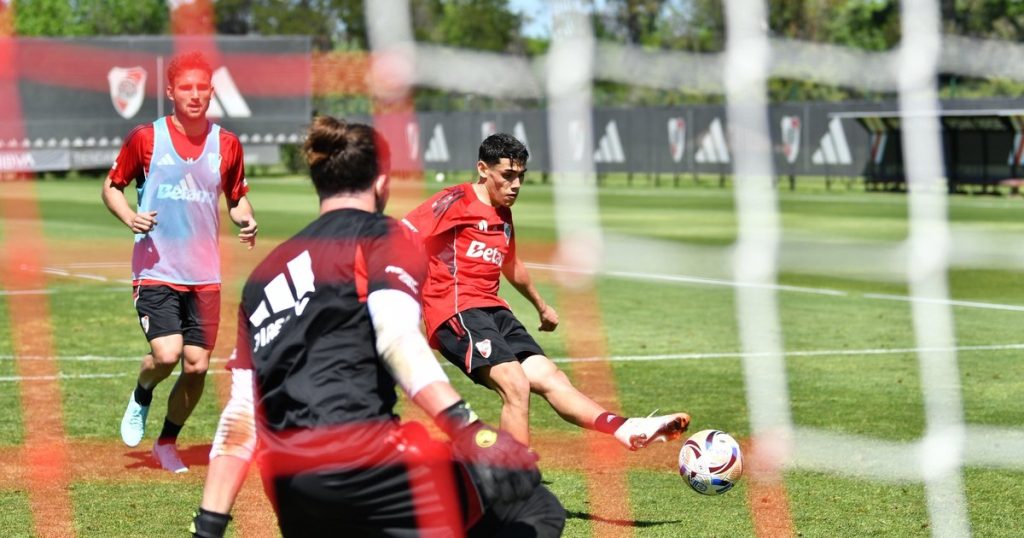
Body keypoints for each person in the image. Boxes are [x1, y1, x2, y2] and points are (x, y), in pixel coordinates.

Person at [191, 116, 565, 538]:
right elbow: (397, 336)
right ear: (382, 181)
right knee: (534, 507)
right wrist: (471, 431)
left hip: (291, 487)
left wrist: (210, 525)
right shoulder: (382, 236)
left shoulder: (263, 275)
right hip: (367, 466)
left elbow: (240, 415)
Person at [402, 133, 690, 449]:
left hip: (495, 310)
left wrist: (541, 305)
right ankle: (516, 480)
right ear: (483, 169)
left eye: (520, 177)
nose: (515, 185)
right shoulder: (455, 200)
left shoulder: (503, 213)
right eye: (507, 176)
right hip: (457, 310)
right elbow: (403, 235)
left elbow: (510, 263)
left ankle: (624, 428)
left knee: (551, 377)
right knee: (515, 384)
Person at [101, 51, 258, 473]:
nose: (194, 95)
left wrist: (246, 219)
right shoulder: (146, 139)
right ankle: (142, 391)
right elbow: (112, 187)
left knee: (197, 365)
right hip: (156, 270)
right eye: (185, 87)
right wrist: (128, 216)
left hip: (205, 276)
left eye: (202, 88)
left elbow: (237, 197)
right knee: (167, 355)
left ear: (211, 92)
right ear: (170, 91)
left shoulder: (227, 144)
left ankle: (166, 442)